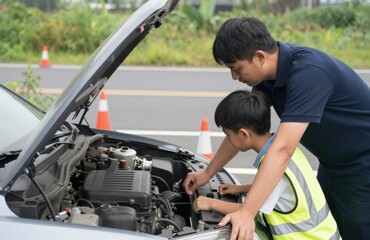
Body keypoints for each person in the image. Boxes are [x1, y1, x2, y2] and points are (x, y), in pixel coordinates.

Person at [183, 17, 370, 240]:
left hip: (362, 166)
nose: (234, 77)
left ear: (260, 57)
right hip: (332, 163)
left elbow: (282, 150)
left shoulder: (308, 74)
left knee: (358, 232)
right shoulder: (267, 78)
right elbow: (242, 126)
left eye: (236, 68)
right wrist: (207, 173)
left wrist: (247, 213)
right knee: (324, 225)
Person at [192, 89, 339, 239]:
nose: (228, 141)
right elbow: (279, 192)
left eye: (228, 135)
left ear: (244, 134)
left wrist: (210, 203)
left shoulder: (274, 165)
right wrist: (241, 188)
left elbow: (248, 211)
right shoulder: (284, 150)